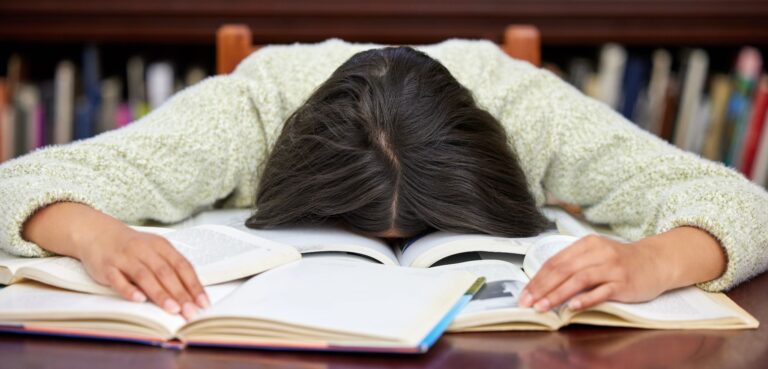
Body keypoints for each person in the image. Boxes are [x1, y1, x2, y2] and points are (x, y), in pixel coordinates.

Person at [2, 39, 766, 321]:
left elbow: (746, 206)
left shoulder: (523, 105)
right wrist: (94, 233)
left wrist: (651, 260)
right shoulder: (253, 107)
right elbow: (19, 184)